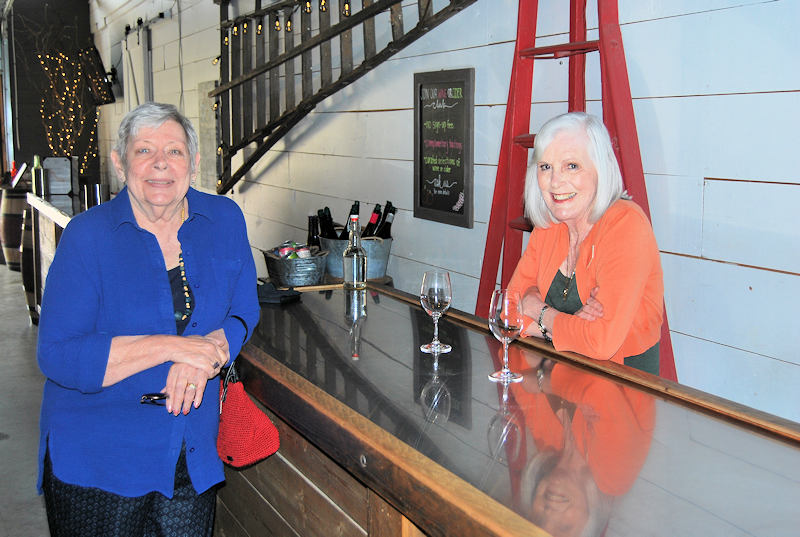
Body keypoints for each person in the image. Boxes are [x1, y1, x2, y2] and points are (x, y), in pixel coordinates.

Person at [36, 102, 261, 537]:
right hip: (99, 459)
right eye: (144, 151)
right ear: (120, 163)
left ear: (194, 165)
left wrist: (210, 353)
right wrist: (177, 348)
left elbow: (243, 310)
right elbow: (58, 355)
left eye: (174, 151)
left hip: (189, 450)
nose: (160, 163)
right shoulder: (88, 235)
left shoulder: (223, 219)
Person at [507, 112, 663, 374]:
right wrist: (567, 327)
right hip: (555, 384)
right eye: (546, 167)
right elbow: (507, 312)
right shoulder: (550, 223)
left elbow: (600, 343)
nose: (556, 182)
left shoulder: (626, 224)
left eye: (572, 166)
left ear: (599, 169)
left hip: (620, 393)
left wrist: (539, 311)